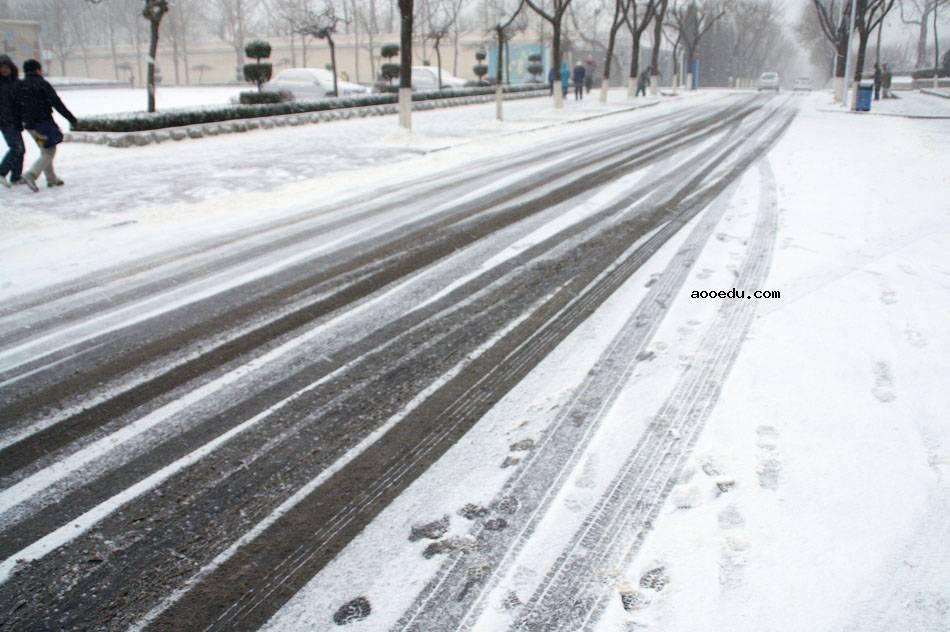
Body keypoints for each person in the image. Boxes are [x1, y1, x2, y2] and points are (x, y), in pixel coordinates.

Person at [18, 59, 77, 191]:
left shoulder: (20, 86)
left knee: (45, 149)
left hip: (30, 127)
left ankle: (51, 178)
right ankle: (31, 174)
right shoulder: (42, 84)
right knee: (50, 151)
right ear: (38, 70)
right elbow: (57, 103)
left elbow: (15, 106)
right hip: (43, 124)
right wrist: (71, 118)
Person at [0, 55, 25, 189]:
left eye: (6, 67)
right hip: (5, 121)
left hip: (16, 121)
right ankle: (2, 172)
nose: (4, 70)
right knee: (16, 148)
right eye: (1, 68)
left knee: (21, 149)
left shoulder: (16, 82)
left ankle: (16, 176)